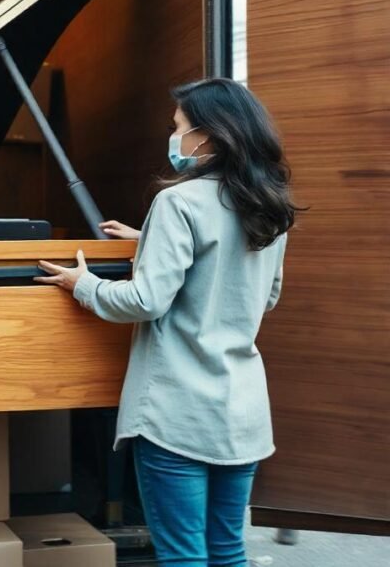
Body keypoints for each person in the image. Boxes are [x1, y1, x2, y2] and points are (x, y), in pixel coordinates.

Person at [36, 78, 299, 567]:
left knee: (181, 557)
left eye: (178, 127)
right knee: (227, 549)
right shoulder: (269, 204)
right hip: (241, 413)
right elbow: (265, 296)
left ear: (207, 136)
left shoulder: (179, 203)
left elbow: (145, 300)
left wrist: (82, 284)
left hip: (177, 413)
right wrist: (153, 241)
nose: (174, 136)